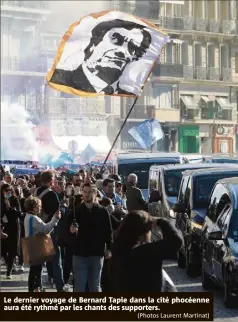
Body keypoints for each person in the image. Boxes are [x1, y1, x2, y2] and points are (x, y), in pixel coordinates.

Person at [50, 19, 152, 95]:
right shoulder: (61, 80)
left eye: (132, 47)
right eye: (116, 39)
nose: (121, 51)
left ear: (135, 58)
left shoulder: (124, 93)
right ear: (93, 44)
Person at [110, 210, 183, 292]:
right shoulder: (145, 252)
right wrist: (161, 221)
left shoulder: (117, 251)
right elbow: (176, 241)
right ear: (145, 232)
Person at [68, 183, 113, 292]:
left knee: (95, 287)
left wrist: (109, 248)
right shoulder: (76, 211)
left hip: (97, 254)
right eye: (84, 192)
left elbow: (108, 231)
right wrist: (71, 230)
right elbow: (66, 231)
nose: (87, 195)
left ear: (95, 193)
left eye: (89, 192)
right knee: (79, 288)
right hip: (80, 254)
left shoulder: (102, 211)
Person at [35, 170, 68, 292]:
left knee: (39, 260)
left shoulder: (37, 191)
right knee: (56, 259)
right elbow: (58, 212)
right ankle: (60, 286)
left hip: (39, 227)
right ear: (51, 180)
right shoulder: (52, 194)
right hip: (50, 229)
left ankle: (38, 285)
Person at [24, 196, 61, 292]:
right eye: (39, 206)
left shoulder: (27, 217)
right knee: (36, 270)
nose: (40, 208)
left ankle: (34, 289)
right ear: (34, 207)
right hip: (36, 246)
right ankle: (35, 289)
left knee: (34, 270)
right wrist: (55, 219)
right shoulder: (34, 218)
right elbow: (46, 229)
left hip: (30, 245)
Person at [1, 184, 23, 279]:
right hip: (3, 227)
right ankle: (7, 264)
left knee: (12, 250)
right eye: (6, 191)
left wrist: (9, 207)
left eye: (10, 190)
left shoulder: (15, 199)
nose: (8, 192)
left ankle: (9, 271)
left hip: (14, 227)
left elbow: (19, 213)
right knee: (3, 249)